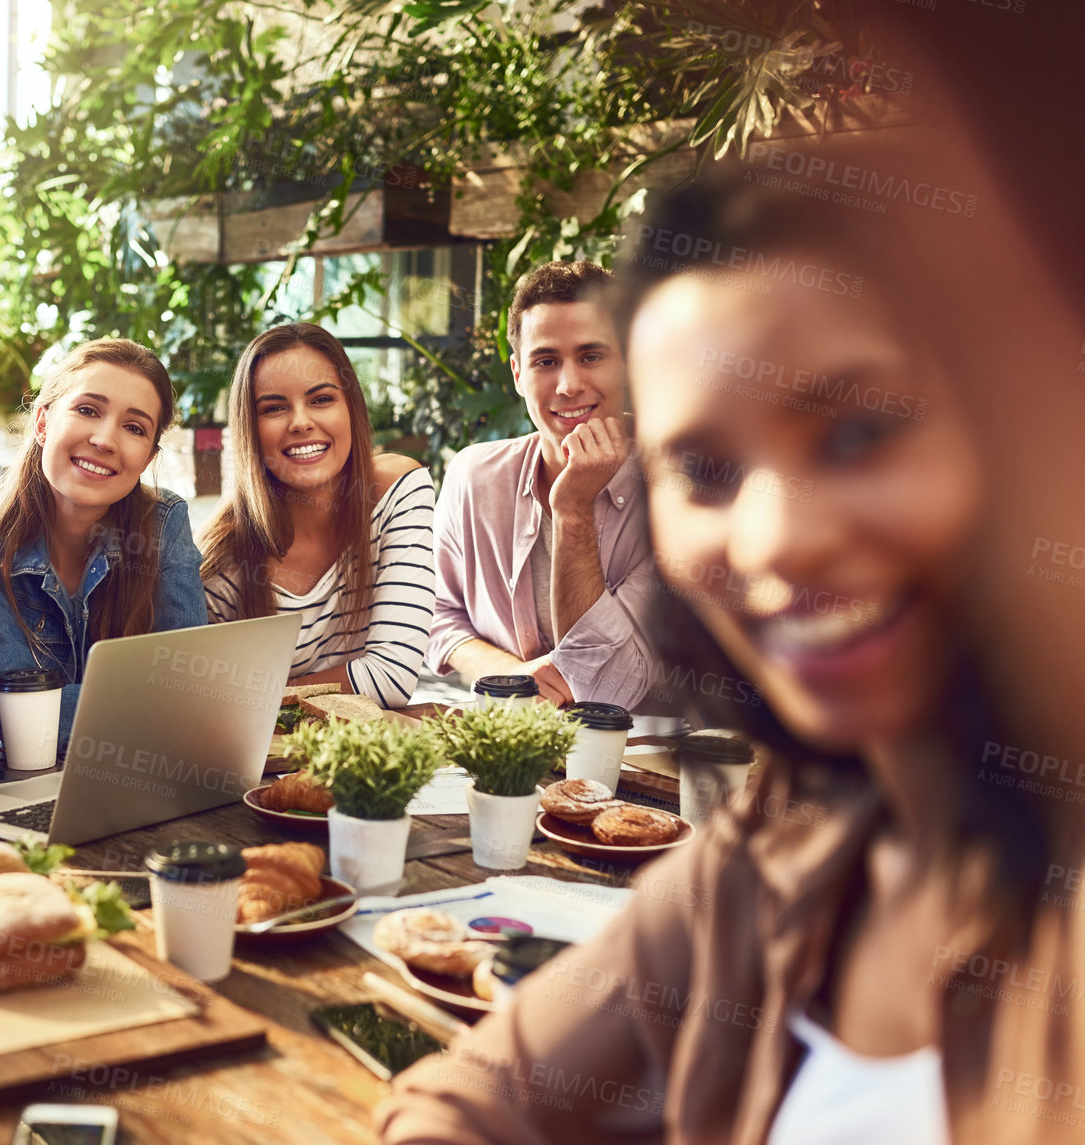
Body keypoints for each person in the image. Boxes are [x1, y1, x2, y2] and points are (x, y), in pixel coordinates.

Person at [379, 156, 1070, 1142]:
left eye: (860, 431)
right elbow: (472, 1095)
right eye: (704, 469)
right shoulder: (785, 846)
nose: (773, 539)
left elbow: (589, 683)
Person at [0, 338, 207, 753]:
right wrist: (157, 711)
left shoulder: (163, 524)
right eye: (88, 410)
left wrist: (173, 708)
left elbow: (191, 688)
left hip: (140, 782)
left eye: (134, 427)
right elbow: (23, 715)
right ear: (42, 423)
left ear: (148, 457)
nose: (105, 440)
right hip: (16, 788)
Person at [424, 260, 656, 709]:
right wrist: (509, 675)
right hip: (511, 755)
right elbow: (435, 616)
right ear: (516, 374)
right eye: (546, 361)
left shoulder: (678, 492)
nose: (569, 385)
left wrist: (573, 508)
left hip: (643, 766)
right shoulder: (474, 478)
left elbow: (603, 689)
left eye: (591, 356)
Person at [198, 323, 435, 706]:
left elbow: (391, 676)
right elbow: (211, 707)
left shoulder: (396, 492)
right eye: (274, 408)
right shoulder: (219, 564)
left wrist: (262, 698)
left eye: (321, 399)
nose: (301, 421)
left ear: (350, 408)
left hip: (361, 754)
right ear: (249, 430)